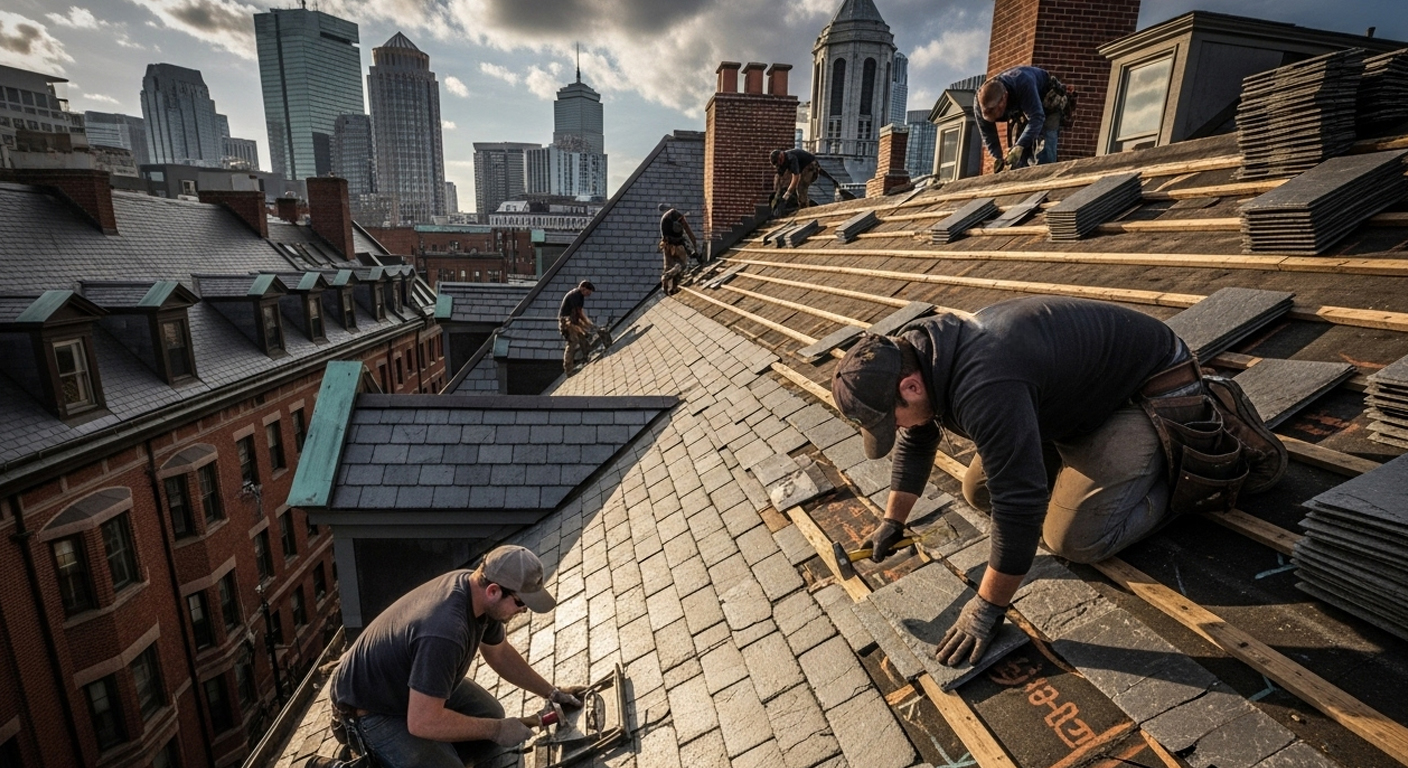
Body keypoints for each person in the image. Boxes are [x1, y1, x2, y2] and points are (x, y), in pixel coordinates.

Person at [830, 296, 1286, 668]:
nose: (898, 429)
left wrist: (988, 607)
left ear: (910, 387)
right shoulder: (916, 354)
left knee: (1074, 540)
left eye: (891, 420)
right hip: (1072, 399)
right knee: (978, 492)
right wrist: (892, 521)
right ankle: (1110, 469)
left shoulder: (985, 382)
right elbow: (917, 438)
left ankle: (1199, 462)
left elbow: (1019, 504)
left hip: (1143, 392)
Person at [316, 546, 587, 768]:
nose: (523, 611)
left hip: (407, 687)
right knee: (477, 737)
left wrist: (551, 693)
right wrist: (496, 730)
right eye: (520, 603)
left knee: (491, 715)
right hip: (367, 709)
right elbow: (422, 721)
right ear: (494, 591)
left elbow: (500, 654)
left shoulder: (477, 591)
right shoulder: (445, 631)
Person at [975, 66, 1072, 172]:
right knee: (1018, 159)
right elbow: (988, 135)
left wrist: (1020, 145)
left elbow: (1037, 117)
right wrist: (997, 157)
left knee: (1044, 150)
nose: (997, 118)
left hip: (1047, 101)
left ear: (1005, 97)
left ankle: (1045, 173)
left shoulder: (1023, 83)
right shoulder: (979, 104)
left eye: (998, 113)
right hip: (1021, 110)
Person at [658, 203, 698, 296]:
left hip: (666, 245)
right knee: (682, 265)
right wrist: (695, 249)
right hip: (678, 246)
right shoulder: (679, 217)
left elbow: (664, 235)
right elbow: (690, 234)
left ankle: (670, 288)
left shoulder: (665, 218)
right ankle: (667, 278)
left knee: (668, 267)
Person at [558, 280, 595, 376]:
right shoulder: (575, 295)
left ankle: (587, 355)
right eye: (588, 292)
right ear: (583, 288)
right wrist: (589, 325)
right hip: (566, 322)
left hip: (573, 320)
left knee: (582, 337)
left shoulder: (580, 296)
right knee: (573, 342)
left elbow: (579, 314)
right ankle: (568, 370)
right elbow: (579, 314)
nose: (589, 294)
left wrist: (589, 326)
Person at [770, 148, 822, 212]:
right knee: (786, 180)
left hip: (810, 166)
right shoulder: (781, 162)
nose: (779, 165)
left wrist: (788, 193)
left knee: (801, 186)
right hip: (801, 168)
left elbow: (796, 177)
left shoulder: (791, 158)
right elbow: (779, 176)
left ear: (781, 156)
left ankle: (804, 209)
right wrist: (777, 194)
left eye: (779, 162)